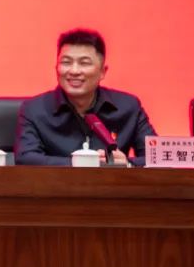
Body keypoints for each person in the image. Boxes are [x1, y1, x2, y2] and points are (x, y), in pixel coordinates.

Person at [15, 28, 156, 166]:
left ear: (102, 71)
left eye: (84, 63)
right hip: (57, 182)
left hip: (112, 182)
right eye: (66, 62)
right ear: (56, 68)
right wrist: (82, 163)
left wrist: (128, 164)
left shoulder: (129, 107)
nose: (74, 71)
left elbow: (158, 158)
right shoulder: (34, 109)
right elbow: (25, 158)